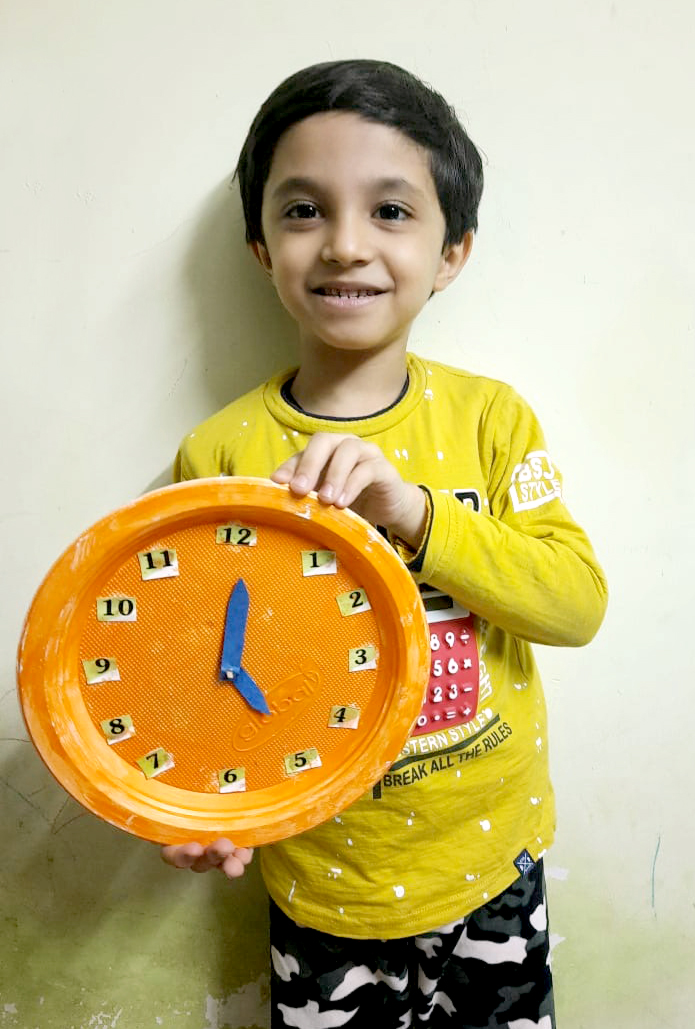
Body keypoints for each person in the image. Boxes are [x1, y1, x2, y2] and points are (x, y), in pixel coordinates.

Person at [161, 59, 608, 1028]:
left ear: (453, 251)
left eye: (392, 212)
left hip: (493, 867)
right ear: (258, 245)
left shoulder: (493, 422)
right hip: (321, 887)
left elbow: (573, 603)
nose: (345, 245)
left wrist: (416, 517)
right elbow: (208, 671)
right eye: (303, 211)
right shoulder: (220, 452)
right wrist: (196, 806)